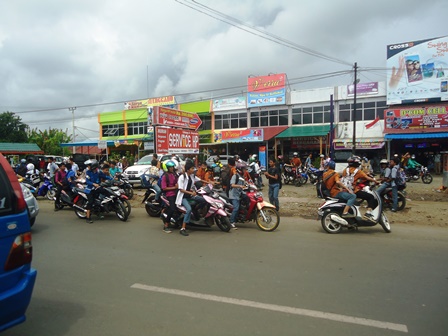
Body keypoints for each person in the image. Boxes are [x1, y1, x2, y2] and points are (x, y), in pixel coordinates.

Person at [176, 161, 207, 236]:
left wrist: (210, 183)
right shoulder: (182, 177)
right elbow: (181, 189)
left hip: (190, 196)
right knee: (188, 209)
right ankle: (183, 228)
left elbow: (200, 180)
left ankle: (195, 211)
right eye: (192, 168)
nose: (193, 170)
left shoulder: (192, 176)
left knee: (204, 200)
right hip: (183, 197)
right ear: (188, 169)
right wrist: (191, 193)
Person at [341, 156, 378, 220]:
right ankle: (368, 213)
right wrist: (375, 181)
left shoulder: (345, 170)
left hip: (344, 190)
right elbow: (367, 178)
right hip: (353, 191)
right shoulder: (358, 171)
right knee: (371, 197)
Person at [160, 160, 179, 233]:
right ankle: (166, 225)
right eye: (170, 167)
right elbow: (164, 188)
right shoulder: (165, 176)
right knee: (172, 208)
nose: (172, 168)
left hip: (177, 193)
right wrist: (174, 188)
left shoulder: (174, 174)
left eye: (172, 167)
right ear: (167, 168)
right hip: (170, 194)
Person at [229, 162, 249, 229]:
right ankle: (231, 222)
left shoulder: (242, 177)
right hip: (233, 195)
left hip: (239, 194)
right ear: (240, 169)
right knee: (236, 208)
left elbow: (245, 184)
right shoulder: (235, 176)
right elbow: (232, 185)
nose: (245, 170)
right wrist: (240, 186)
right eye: (243, 169)